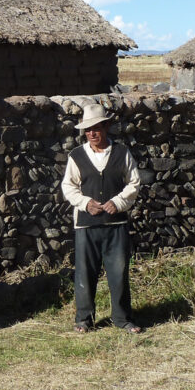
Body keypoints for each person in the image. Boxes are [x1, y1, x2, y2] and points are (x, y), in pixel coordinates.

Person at [61, 103, 143, 334]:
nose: (92, 134)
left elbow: (134, 183)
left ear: (106, 127)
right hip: (86, 225)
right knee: (85, 273)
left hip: (115, 225)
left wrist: (117, 203)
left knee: (119, 272)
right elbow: (69, 186)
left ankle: (122, 319)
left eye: (96, 128)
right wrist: (85, 203)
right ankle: (84, 320)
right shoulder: (76, 156)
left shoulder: (121, 153)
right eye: (88, 130)